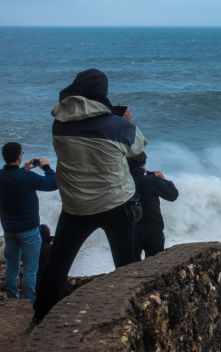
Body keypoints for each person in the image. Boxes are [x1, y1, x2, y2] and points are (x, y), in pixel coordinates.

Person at [34, 69, 146, 322]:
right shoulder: (118, 126)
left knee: (58, 265)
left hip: (75, 206)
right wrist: (127, 123)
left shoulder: (58, 124)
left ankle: (41, 316)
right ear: (102, 94)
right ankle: (130, 318)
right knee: (127, 266)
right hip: (117, 204)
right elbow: (139, 155)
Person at [0, 142, 57, 303]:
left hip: (9, 229)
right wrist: (46, 168)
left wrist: (24, 170)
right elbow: (53, 184)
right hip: (29, 230)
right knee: (30, 270)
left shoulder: (3, 176)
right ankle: (28, 304)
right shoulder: (27, 177)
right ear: (19, 156)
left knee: (12, 267)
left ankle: (12, 301)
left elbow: (14, 180)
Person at [128, 153, 179, 260]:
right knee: (155, 265)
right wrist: (163, 179)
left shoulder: (120, 181)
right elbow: (173, 195)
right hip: (152, 230)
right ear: (143, 163)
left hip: (129, 230)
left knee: (128, 266)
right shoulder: (151, 180)